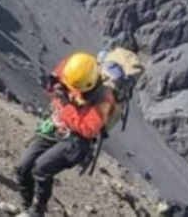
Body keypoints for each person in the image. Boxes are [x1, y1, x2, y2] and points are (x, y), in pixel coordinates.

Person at [14, 52, 117, 217]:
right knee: (23, 168)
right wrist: (53, 85)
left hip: (76, 141)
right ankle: (26, 206)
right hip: (57, 127)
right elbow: (54, 87)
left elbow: (87, 129)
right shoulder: (71, 70)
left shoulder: (104, 99)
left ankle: (36, 212)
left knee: (41, 168)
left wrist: (66, 105)